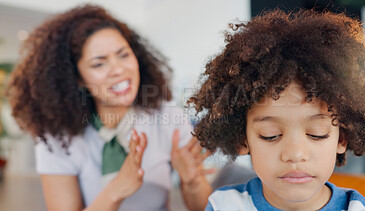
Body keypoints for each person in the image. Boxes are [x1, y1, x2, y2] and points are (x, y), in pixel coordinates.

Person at [188, 9, 365, 211]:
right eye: (270, 135)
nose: (295, 154)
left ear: (341, 138)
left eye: (317, 133)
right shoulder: (223, 205)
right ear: (242, 139)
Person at [7, 4, 212, 211]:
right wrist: (116, 190)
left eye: (123, 55)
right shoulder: (58, 137)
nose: (118, 69)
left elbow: (204, 207)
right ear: (78, 78)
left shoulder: (168, 116)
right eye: (99, 64)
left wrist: (192, 182)